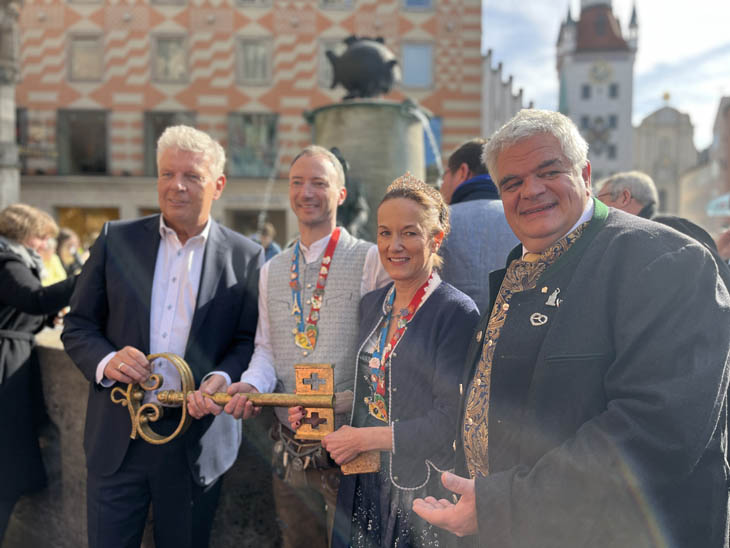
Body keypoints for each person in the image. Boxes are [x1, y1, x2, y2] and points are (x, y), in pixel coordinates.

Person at [412, 109, 730, 548]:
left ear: (584, 173)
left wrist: (500, 503)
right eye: (512, 183)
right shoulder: (521, 263)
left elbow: (654, 435)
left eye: (548, 171)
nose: (532, 191)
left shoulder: (666, 260)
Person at [61, 125, 262, 548]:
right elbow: (78, 325)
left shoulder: (246, 255)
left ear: (218, 185)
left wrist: (222, 379)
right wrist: (106, 362)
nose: (177, 186)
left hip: (195, 444)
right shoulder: (117, 240)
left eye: (192, 176)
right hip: (118, 439)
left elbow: (246, 340)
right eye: (167, 174)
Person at [297, 174, 479, 547]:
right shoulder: (372, 304)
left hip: (419, 491)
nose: (394, 246)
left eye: (409, 233)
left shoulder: (455, 311)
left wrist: (363, 437)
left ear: (435, 238)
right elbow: (375, 390)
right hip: (363, 479)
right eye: (384, 233)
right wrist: (326, 408)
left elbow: (449, 419)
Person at [221, 145, 389, 548]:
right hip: (291, 445)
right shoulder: (271, 270)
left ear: (341, 194)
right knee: (298, 541)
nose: (307, 192)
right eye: (298, 182)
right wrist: (251, 386)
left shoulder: (370, 259)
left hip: (352, 446)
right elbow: (265, 349)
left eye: (319, 182)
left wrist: (350, 401)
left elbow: (385, 354)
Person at [0, 204, 76, 542]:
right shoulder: (8, 261)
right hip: (6, 366)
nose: (47, 245)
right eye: (43, 237)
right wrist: (87, 276)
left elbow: (17, 310)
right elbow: (33, 298)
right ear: (26, 237)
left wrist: (45, 320)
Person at [438, 138, 518, 312]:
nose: (441, 186)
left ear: (462, 171)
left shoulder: (436, 222)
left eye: (444, 177)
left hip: (448, 334)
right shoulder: (524, 219)